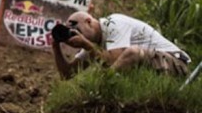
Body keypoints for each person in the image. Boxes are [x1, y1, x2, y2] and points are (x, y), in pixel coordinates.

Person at [51, 10, 191, 80]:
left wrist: (87, 45)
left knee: (132, 53)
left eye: (78, 30)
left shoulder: (113, 23)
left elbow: (114, 61)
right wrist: (56, 47)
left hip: (175, 63)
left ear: (89, 22)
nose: (77, 35)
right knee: (125, 59)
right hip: (158, 67)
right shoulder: (92, 43)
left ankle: (101, 92)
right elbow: (67, 75)